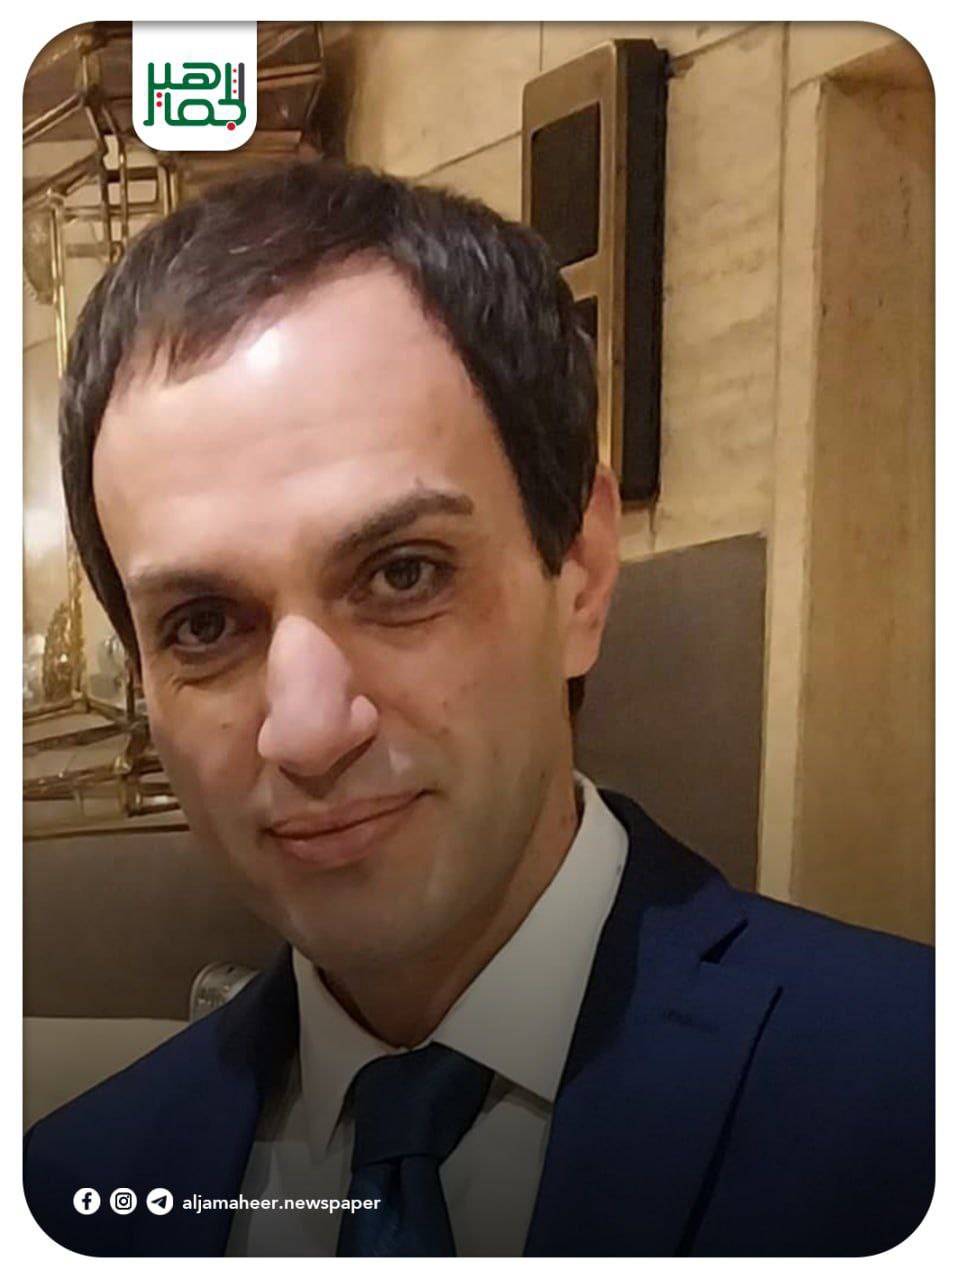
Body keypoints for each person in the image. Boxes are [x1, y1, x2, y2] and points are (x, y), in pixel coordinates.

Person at [24, 161, 933, 1258]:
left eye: (402, 573)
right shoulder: (74, 1196)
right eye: (205, 623)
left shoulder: (915, 1102)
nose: (307, 731)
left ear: (580, 574)